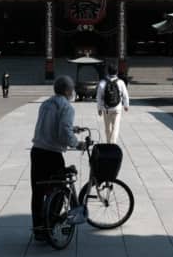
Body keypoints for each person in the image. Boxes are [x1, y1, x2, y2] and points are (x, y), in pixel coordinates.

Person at [30, 75, 85, 242]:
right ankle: (51, 223)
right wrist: (77, 143)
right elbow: (63, 133)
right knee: (60, 190)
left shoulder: (46, 103)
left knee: (38, 192)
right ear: (68, 91)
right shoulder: (67, 107)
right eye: (72, 89)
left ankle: (39, 229)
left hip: (37, 151)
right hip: (52, 154)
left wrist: (72, 128)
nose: (73, 92)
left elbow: (50, 125)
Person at [96, 64, 130, 144]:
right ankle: (113, 143)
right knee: (115, 127)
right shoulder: (120, 82)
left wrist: (99, 109)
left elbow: (99, 97)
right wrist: (126, 105)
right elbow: (125, 95)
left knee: (107, 128)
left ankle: (108, 142)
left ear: (107, 72)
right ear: (116, 72)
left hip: (106, 108)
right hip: (117, 108)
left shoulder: (102, 83)